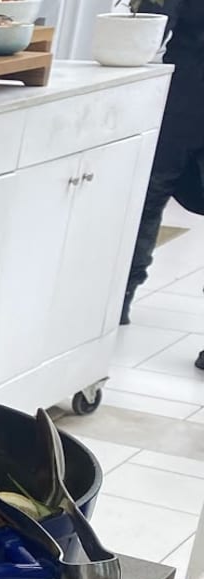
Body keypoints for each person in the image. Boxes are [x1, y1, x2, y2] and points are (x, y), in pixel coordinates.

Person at [121, 0, 204, 361]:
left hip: (183, 101)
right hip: (183, 101)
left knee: (148, 199)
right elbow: (151, 24)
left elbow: (150, 26)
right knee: (147, 200)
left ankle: (117, 301)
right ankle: (118, 299)